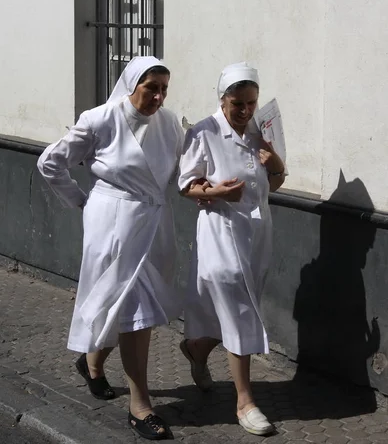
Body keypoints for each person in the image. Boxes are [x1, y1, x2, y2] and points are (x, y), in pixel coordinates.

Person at [37, 56, 184, 441]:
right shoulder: (100, 118)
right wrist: (81, 201)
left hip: (153, 223)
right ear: (132, 84)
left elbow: (185, 167)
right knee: (135, 309)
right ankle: (140, 407)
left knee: (118, 307)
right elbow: (50, 162)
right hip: (113, 223)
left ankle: (92, 363)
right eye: (151, 87)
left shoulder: (169, 123)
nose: (158, 96)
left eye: (164, 89)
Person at [178, 62, 286, 437]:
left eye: (250, 103)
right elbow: (186, 186)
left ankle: (197, 348)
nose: (244, 111)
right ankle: (245, 401)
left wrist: (278, 165)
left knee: (240, 305)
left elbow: (276, 182)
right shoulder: (203, 132)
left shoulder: (259, 130)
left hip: (256, 233)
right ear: (222, 100)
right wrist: (219, 192)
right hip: (220, 231)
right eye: (237, 104)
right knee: (240, 309)